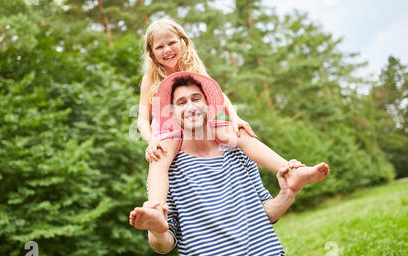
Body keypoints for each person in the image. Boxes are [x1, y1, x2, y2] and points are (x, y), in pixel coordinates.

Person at [130, 73, 329, 256]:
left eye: (196, 99)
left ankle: (294, 173)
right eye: (181, 102)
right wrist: (155, 229)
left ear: (209, 105)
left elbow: (266, 214)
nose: (190, 106)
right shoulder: (167, 170)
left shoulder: (238, 151)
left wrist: (288, 193)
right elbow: (165, 244)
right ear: (172, 113)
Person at [137, 18, 328, 214]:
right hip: (169, 130)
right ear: (151, 53)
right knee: (159, 158)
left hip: (203, 122)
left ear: (182, 41)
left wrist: (235, 117)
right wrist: (151, 141)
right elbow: (142, 118)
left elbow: (221, 95)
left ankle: (291, 171)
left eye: (171, 43)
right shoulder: (150, 79)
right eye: (160, 47)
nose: (167, 50)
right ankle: (156, 207)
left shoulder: (193, 68)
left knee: (239, 134)